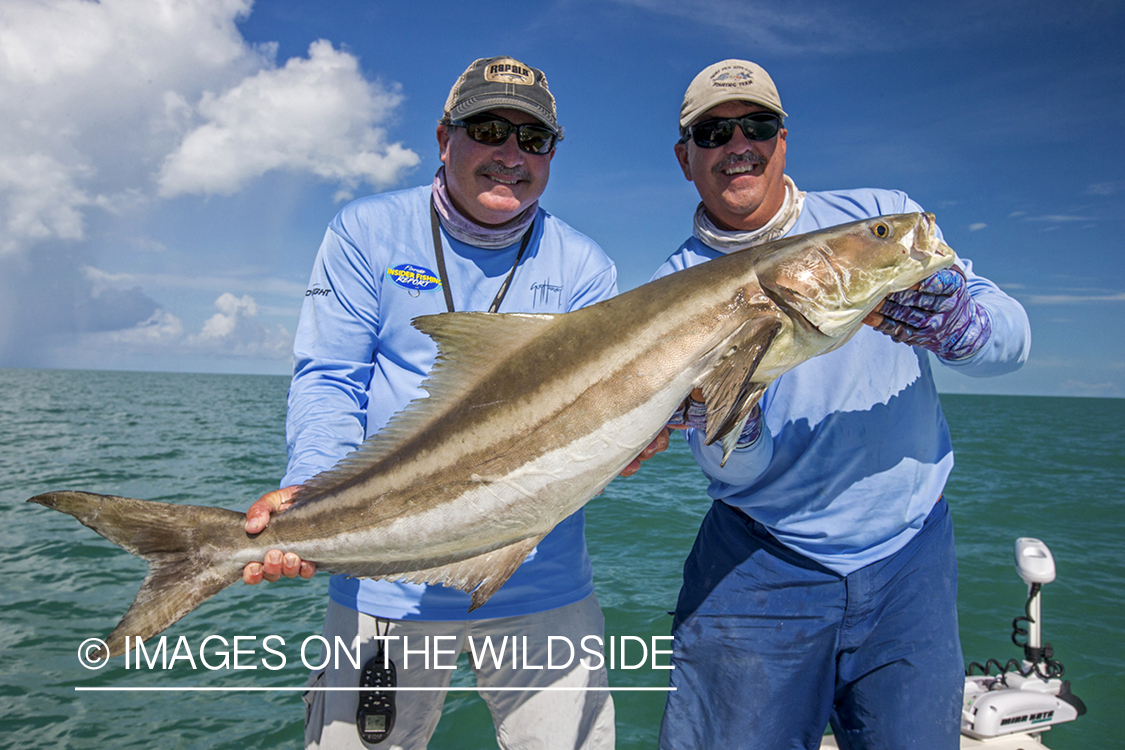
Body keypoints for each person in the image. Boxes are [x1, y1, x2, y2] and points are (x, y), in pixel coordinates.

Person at [240, 56, 630, 750]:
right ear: (443, 136)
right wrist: (312, 490)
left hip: (540, 581)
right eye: (488, 129)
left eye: (533, 140)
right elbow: (332, 376)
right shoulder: (365, 232)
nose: (510, 156)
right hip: (388, 573)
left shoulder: (585, 267)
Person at [654, 60, 1031, 749]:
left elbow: (1011, 341)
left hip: (910, 555)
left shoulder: (876, 220)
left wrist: (961, 330)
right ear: (685, 158)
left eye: (757, 125)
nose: (738, 143)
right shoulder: (672, 289)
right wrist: (731, 425)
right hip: (759, 560)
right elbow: (734, 471)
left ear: (783, 140)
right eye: (712, 132)